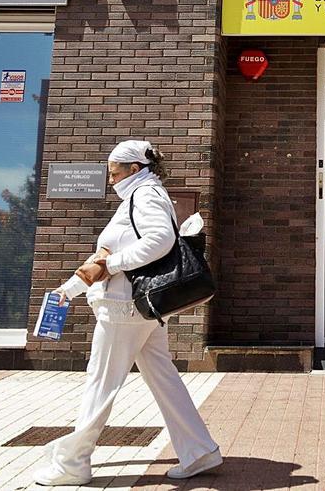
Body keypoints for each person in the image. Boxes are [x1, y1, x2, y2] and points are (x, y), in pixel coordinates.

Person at [32, 140, 222, 486]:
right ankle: (199, 450)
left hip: (124, 309)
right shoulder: (139, 197)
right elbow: (101, 260)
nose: (110, 180)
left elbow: (159, 240)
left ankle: (73, 463)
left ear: (135, 169)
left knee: (100, 384)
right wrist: (69, 290)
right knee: (163, 379)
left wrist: (115, 264)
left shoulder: (145, 195)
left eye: (114, 173)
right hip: (138, 310)